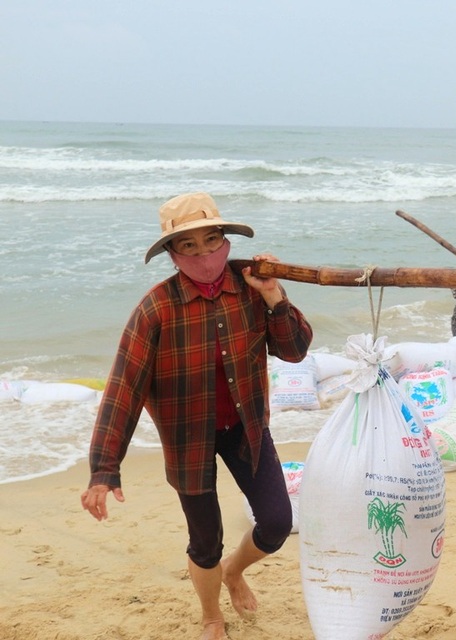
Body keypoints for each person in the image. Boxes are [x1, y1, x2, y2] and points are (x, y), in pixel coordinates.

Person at [80, 192, 313, 640]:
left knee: (277, 521)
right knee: (205, 542)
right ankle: (211, 615)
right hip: (189, 439)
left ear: (226, 241)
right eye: (189, 246)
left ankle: (234, 573)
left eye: (212, 241)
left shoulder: (251, 288)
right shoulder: (155, 310)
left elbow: (295, 350)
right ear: (172, 254)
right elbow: (123, 390)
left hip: (247, 428)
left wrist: (273, 295)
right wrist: (103, 470)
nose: (205, 255)